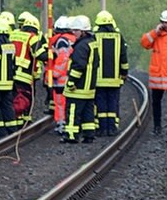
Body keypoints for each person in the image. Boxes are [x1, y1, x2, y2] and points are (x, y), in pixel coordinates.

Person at [63, 15, 99, 144]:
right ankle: (89, 134)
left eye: (76, 30)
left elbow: (79, 66)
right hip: (89, 88)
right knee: (88, 111)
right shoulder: (92, 43)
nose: (73, 33)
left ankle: (71, 135)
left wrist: (71, 81)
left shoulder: (81, 46)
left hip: (79, 87)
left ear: (83, 31)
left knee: (73, 111)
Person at [94, 10, 129, 136]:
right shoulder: (119, 37)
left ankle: (102, 128)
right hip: (115, 79)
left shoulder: (95, 36)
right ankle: (112, 127)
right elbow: (123, 57)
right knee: (113, 102)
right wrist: (124, 72)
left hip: (98, 79)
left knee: (101, 103)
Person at [46, 17, 76, 133]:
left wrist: (54, 74)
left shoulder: (61, 41)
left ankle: (61, 124)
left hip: (61, 80)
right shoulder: (72, 39)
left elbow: (63, 58)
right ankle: (68, 124)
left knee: (60, 104)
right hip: (72, 77)